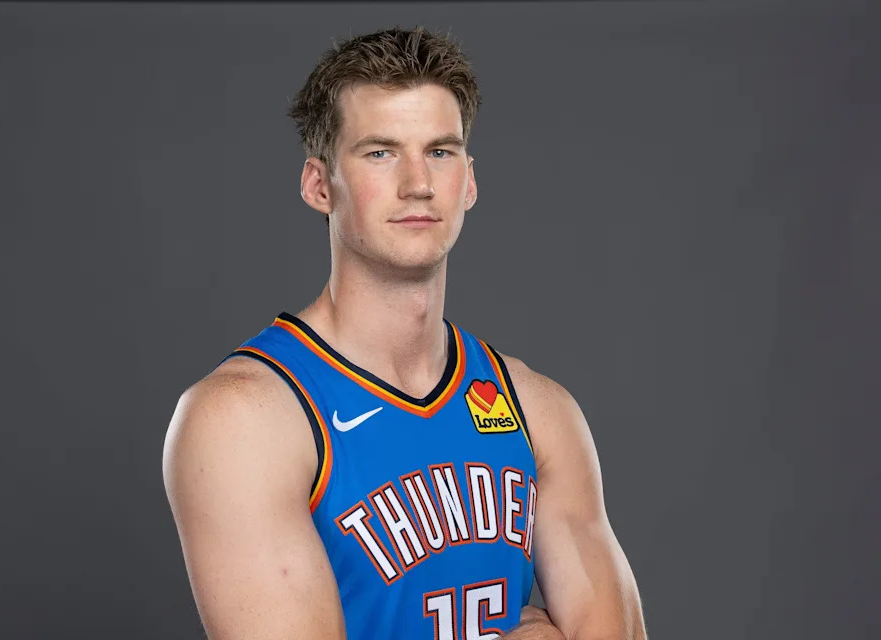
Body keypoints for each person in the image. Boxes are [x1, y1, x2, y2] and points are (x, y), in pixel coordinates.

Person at [163, 26, 646, 640]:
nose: (418, 183)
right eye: (381, 152)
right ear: (318, 184)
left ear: (468, 181)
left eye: (440, 152)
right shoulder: (244, 419)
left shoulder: (537, 410)